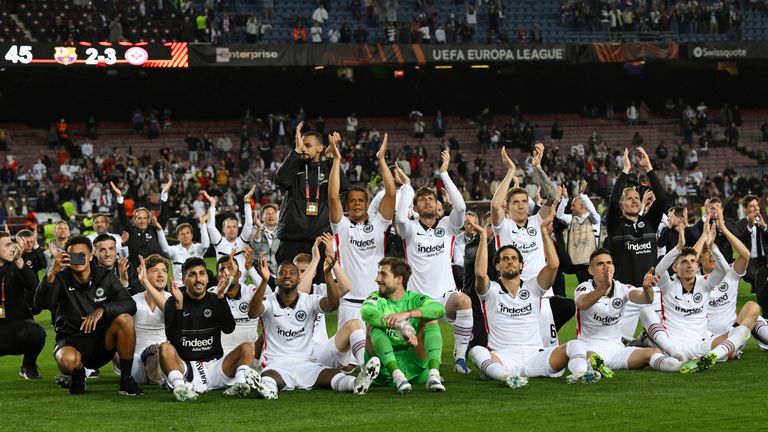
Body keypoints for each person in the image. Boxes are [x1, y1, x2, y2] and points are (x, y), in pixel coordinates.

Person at [468, 214, 602, 386]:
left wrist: (544, 233)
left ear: (521, 265)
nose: (510, 261)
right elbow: (480, 273)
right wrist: (484, 238)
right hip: (504, 358)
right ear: (497, 266)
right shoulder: (490, 290)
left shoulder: (533, 287)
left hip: (536, 357)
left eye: (514, 258)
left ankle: (580, 374)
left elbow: (553, 265)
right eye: (505, 259)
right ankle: (507, 378)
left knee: (576, 345)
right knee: (477, 351)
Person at [248, 252, 380, 398]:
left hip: (307, 363)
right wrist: (264, 281)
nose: (287, 276)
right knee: (270, 377)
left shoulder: (309, 301)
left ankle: (356, 383)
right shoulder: (269, 301)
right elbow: (253, 313)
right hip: (277, 364)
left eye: (292, 273)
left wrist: (328, 274)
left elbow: (333, 305)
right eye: (282, 273)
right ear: (277, 280)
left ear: (299, 279)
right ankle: (268, 388)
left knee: (334, 375)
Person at [394, 150, 475, 374]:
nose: (428, 202)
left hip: (444, 295)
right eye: (422, 200)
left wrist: (444, 173)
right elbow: (400, 218)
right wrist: (407, 187)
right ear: (415, 207)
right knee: (417, 357)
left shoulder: (447, 226)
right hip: (418, 299)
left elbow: (460, 207)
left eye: (431, 199)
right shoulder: (409, 230)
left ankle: (460, 358)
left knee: (464, 300)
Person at [34, 236, 142, 396]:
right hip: (71, 339)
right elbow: (40, 304)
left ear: (91, 255)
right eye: (73, 256)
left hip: (102, 341)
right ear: (66, 257)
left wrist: (103, 310)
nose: (78, 260)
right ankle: (78, 376)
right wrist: (52, 273)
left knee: (125, 319)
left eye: (82, 255)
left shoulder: (106, 276)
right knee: (67, 362)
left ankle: (126, 380)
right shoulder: (61, 277)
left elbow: (130, 304)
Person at [490, 145, 574, 344]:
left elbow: (553, 196)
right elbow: (494, 205)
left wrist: (538, 167)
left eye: (523, 201)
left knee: (564, 314)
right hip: (512, 291)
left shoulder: (537, 221)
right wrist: (510, 171)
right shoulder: (503, 226)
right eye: (515, 202)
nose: (520, 205)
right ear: (507, 207)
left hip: (541, 289)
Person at [642, 223, 752, 369]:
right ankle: (677, 357)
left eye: (693, 261)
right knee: (645, 312)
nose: (690, 265)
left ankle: (711, 357)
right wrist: (677, 248)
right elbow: (659, 270)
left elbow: (725, 271)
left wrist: (713, 248)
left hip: (700, 344)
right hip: (672, 344)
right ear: (675, 267)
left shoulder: (705, 283)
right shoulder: (668, 285)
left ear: (697, 266)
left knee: (742, 331)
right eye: (685, 262)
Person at [158, 257, 267, 401]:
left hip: (215, 365)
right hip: (185, 366)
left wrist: (221, 297)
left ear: (207, 278)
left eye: (202, 273)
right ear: (183, 280)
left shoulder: (215, 299)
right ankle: (181, 388)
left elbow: (229, 328)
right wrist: (179, 307)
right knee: (165, 348)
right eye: (192, 274)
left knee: (248, 347)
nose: (198, 279)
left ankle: (240, 384)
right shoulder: (174, 301)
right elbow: (174, 339)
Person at [575, 249, 690, 374]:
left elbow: (646, 299)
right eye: (600, 264)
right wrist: (604, 287)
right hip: (590, 348)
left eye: (609, 263)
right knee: (587, 356)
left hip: (617, 350)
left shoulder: (622, 288)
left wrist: (647, 288)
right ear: (590, 270)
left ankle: (681, 366)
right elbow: (583, 303)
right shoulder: (583, 288)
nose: (606, 266)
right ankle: (591, 369)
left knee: (653, 352)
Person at [328, 132, 395, 330]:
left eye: (360, 200)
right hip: (348, 303)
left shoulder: (379, 224)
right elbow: (332, 197)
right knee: (348, 360)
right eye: (352, 201)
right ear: (347, 205)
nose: (356, 203)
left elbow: (391, 193)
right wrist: (336, 160)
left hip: (378, 301)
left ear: (367, 204)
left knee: (378, 356)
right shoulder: (342, 226)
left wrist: (381, 160)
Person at [604, 147, 666, 341]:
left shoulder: (649, 222)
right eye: (629, 198)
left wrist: (649, 168)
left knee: (664, 341)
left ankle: (644, 342)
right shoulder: (616, 226)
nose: (634, 200)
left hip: (652, 292)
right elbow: (612, 201)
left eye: (637, 198)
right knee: (617, 344)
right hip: (627, 294)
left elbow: (662, 199)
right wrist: (625, 171)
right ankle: (640, 342)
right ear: (622, 205)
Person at [362, 257, 447, 393]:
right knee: (372, 325)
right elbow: (367, 313)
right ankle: (397, 376)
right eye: (378, 273)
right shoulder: (376, 297)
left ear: (399, 279)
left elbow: (439, 309)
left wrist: (408, 314)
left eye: (383, 274)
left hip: (414, 365)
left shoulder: (414, 299)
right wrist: (402, 327)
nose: (377, 279)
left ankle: (434, 375)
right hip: (384, 370)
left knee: (431, 319)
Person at [274, 123, 349, 274]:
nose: (304, 148)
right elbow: (280, 179)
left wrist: (330, 158)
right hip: (292, 237)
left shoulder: (328, 167)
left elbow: (343, 186)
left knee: (319, 285)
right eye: (302, 144)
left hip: (319, 238)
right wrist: (296, 150)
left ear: (319, 148)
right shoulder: (296, 166)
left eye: (308, 145)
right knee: (287, 281)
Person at [700, 209, 768, 351]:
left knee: (752, 308)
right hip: (709, 339)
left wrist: (723, 228)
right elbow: (688, 258)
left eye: (714, 250)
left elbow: (745, 255)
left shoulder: (729, 272)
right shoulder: (694, 280)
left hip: (734, 332)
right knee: (756, 318)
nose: (712, 254)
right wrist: (704, 237)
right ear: (699, 259)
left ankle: (733, 343)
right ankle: (729, 347)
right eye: (707, 251)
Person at [295, 235, 364, 369]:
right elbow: (300, 294)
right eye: (295, 271)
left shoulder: (319, 290)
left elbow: (346, 287)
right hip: (299, 354)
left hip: (322, 353)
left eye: (304, 271)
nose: (299, 275)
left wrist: (333, 259)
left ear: (313, 273)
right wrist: (315, 259)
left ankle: (364, 367)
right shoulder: (285, 295)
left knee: (354, 323)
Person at [111, 254, 171, 385]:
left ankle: (156, 375)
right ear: (144, 274)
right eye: (155, 271)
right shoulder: (135, 300)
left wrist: (145, 283)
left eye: (164, 271)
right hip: (135, 362)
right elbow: (116, 314)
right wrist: (124, 282)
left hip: (163, 359)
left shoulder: (172, 298)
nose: (161, 275)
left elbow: (169, 310)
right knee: (109, 333)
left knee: (159, 349)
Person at [0, 232, 46, 379]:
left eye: (12, 244)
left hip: (15, 329)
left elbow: (35, 287)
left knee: (36, 332)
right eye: (7, 245)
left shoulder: (15, 267)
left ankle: (28, 366)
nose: (12, 248)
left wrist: (20, 261)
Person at [111, 179, 172, 267]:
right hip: (135, 273)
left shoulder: (155, 230)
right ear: (134, 220)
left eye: (144, 218)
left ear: (148, 220)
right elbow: (123, 218)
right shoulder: (131, 230)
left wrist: (164, 195)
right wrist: (120, 198)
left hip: (153, 272)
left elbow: (164, 216)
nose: (142, 221)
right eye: (139, 218)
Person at [203, 186, 256, 284]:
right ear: (223, 230)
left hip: (241, 288)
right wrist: (213, 205)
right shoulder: (219, 242)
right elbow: (210, 226)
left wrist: (247, 202)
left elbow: (249, 224)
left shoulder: (243, 241)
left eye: (234, 227)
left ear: (238, 229)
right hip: (223, 286)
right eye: (228, 227)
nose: (232, 229)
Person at [215, 247, 263, 355]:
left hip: (250, 353)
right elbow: (214, 297)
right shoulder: (213, 294)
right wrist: (229, 279)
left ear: (239, 274)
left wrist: (250, 268)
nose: (227, 272)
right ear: (217, 277)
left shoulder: (250, 291)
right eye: (222, 270)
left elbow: (268, 294)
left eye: (231, 268)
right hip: (221, 354)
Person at [556, 182, 600, 283]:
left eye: (573, 205)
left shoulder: (594, 219)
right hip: (578, 263)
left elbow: (593, 211)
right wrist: (565, 199)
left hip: (592, 262)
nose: (571, 208)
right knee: (584, 288)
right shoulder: (571, 219)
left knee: (596, 288)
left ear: (582, 207)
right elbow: (559, 216)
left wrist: (583, 195)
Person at [156, 214, 210, 287]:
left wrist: (203, 224)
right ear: (178, 237)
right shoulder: (175, 250)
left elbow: (206, 245)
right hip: (180, 289)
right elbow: (165, 249)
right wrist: (159, 230)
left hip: (197, 286)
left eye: (188, 233)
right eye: (182, 234)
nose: (185, 236)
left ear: (192, 235)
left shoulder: (198, 249)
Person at [735, 194, 768, 291]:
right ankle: (757, 284)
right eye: (752, 206)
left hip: (766, 258)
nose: (756, 208)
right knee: (753, 274)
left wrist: (764, 226)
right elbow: (740, 242)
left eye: (757, 205)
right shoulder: (740, 224)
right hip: (750, 261)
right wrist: (749, 226)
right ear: (745, 209)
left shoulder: (766, 219)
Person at [250, 203, 280, 278]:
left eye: (273, 213)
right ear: (262, 217)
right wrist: (259, 228)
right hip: (260, 270)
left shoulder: (281, 231)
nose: (271, 216)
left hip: (276, 271)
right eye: (268, 214)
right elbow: (255, 247)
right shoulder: (255, 229)